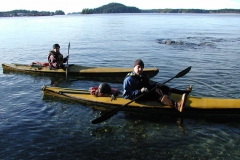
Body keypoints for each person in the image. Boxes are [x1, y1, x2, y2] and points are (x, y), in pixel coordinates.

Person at [123, 59, 192, 112]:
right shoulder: (129, 79)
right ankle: (177, 105)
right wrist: (139, 91)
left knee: (162, 87)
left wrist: (156, 84)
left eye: (141, 67)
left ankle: (184, 92)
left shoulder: (142, 76)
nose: (140, 69)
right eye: (138, 67)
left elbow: (148, 85)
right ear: (134, 67)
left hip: (143, 92)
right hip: (137, 97)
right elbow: (126, 95)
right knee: (156, 92)